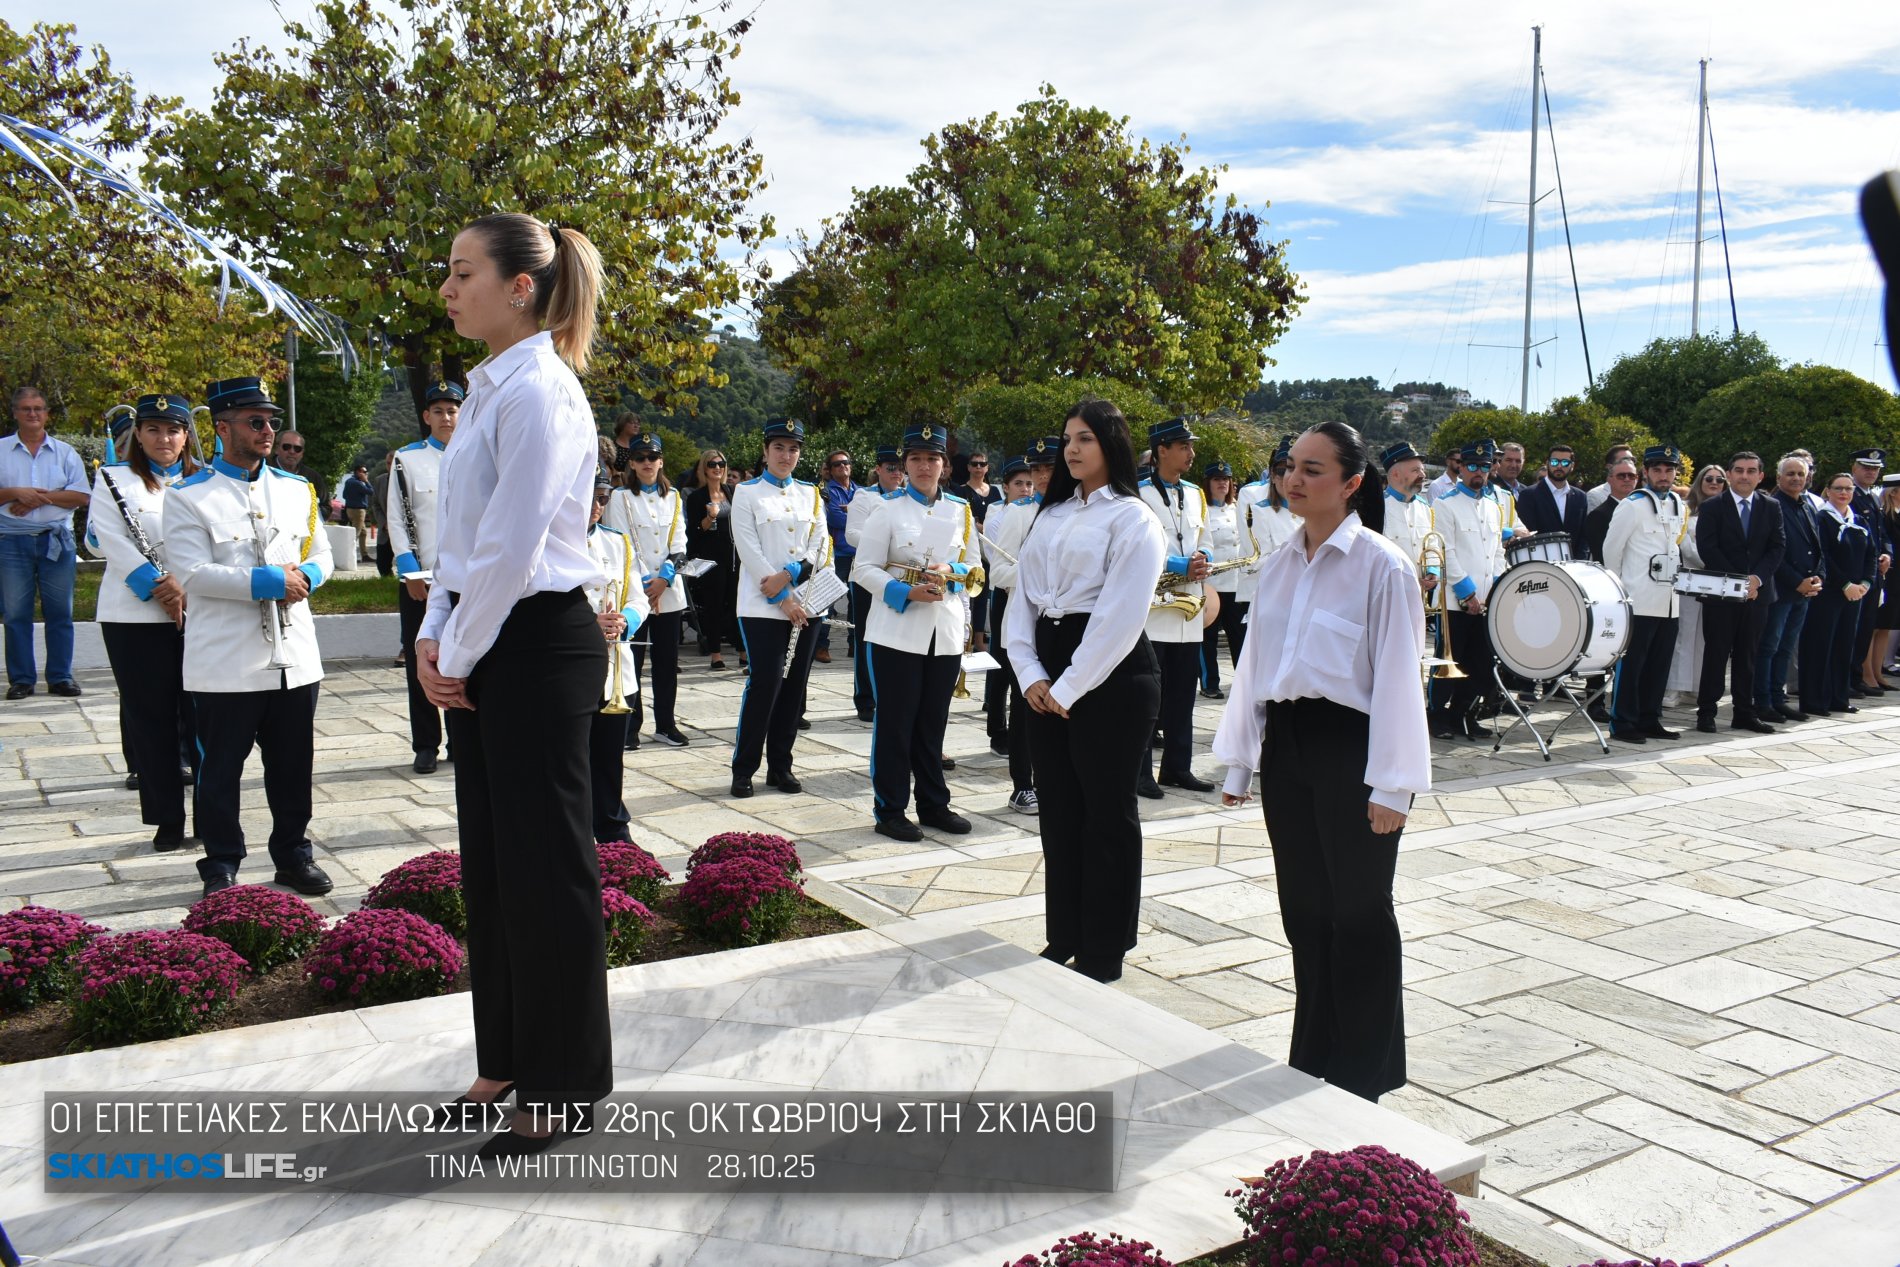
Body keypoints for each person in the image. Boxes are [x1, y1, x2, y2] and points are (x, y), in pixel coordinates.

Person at [416, 212, 612, 1158]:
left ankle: (563, 1081)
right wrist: (433, 630)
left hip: (534, 643)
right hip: (485, 634)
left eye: (464, 272)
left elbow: (512, 546)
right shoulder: (487, 389)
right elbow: (458, 542)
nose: (448, 289)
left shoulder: (541, 392)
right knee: (494, 869)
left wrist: (455, 653)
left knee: (546, 871)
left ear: (521, 286)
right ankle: (505, 1055)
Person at [1213, 420, 1428, 1104]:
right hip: (1289, 745)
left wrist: (1393, 785)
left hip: (1353, 746)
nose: (1293, 480)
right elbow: (1256, 665)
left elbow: (1399, 678)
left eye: (1312, 469)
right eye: (1289, 467)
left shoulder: (1382, 565)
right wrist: (1242, 761)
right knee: (1305, 909)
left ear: (1352, 483)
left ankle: (1364, 1073)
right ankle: (1313, 1055)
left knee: (1359, 909)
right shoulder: (1279, 563)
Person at [1004, 398, 1164, 982]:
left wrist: (1067, 687)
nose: (1071, 449)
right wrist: (1029, 673)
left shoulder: (1133, 518)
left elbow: (1120, 615)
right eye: (1067, 438)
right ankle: (1065, 934)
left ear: (1111, 444)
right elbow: (1022, 601)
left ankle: (1104, 947)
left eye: (1086, 439)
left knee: (1106, 815)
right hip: (1047, 671)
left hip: (1111, 675)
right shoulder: (1050, 515)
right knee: (1060, 812)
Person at [166, 376, 334, 900]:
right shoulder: (188, 496)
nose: (267, 431)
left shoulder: (296, 489)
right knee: (219, 770)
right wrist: (268, 582)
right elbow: (191, 572)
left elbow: (321, 554)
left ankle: (293, 854)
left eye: (271, 422)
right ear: (222, 428)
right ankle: (221, 861)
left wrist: (307, 577)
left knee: (293, 767)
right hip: (227, 662)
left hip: (293, 657)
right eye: (255, 421)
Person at [852, 423, 977, 841]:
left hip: (944, 631)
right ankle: (889, 810)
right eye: (916, 459)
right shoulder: (886, 509)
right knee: (896, 723)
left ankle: (933, 804)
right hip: (897, 631)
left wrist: (950, 571)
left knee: (933, 723)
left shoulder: (960, 510)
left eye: (933, 458)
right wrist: (904, 591)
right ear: (905, 465)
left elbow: (974, 567)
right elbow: (863, 569)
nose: (925, 466)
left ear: (944, 465)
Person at [90, 393, 200, 851]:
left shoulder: (204, 480)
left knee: (203, 719)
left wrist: (184, 587)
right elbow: (110, 542)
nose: (164, 438)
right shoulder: (112, 478)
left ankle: (211, 816)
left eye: (173, 430)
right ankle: (166, 819)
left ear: (186, 436)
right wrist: (160, 587)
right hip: (132, 615)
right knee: (150, 719)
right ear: (138, 434)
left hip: (198, 610)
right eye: (153, 429)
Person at [729, 418, 831, 798]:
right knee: (766, 683)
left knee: (794, 687)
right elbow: (748, 549)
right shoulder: (746, 493)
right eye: (779, 448)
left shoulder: (811, 494)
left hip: (806, 603)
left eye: (793, 449)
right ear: (766, 451)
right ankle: (744, 768)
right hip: (761, 605)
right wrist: (780, 597)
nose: (786, 456)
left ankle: (780, 766)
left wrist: (791, 574)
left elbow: (821, 546)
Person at [1138, 416, 1215, 797]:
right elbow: (1136, 544)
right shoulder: (1137, 494)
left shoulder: (1196, 493)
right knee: (1147, 701)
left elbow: (1207, 538)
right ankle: (1140, 773)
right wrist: (1175, 563)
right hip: (1154, 611)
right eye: (1184, 446)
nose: (1191, 453)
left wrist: (1204, 557)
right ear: (1161, 451)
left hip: (1188, 610)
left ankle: (1177, 767)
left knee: (1184, 696)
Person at [389, 379, 462, 773]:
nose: (446, 417)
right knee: (422, 660)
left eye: (452, 410)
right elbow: (397, 519)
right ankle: (426, 744)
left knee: (464, 657)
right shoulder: (408, 459)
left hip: (464, 579)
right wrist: (410, 573)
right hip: (424, 579)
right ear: (426, 416)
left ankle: (461, 738)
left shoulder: (477, 455)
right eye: (438, 411)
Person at [0, 386, 90, 699]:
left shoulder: (65, 453)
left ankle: (61, 677)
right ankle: (22, 680)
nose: (32, 414)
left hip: (57, 542)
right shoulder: (1, 450)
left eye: (38, 408)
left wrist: (38, 498)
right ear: (15, 413)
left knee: (60, 613)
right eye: (26, 408)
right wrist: (15, 493)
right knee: (15, 614)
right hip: (12, 542)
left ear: (47, 413)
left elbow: (81, 496)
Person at [603, 432, 688, 749]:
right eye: (640, 458)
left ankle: (666, 724)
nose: (647, 463)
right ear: (633, 464)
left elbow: (679, 544)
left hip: (668, 591)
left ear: (661, 461)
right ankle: (630, 728)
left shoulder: (674, 497)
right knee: (633, 660)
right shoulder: (620, 497)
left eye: (653, 457)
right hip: (636, 592)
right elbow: (622, 543)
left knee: (667, 663)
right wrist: (645, 586)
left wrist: (664, 578)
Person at [1695, 451, 1785, 734]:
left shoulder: (1771, 507)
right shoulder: (1712, 507)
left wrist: (1756, 580)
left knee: (1748, 656)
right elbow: (1708, 548)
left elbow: (1777, 547)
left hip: (1758, 594)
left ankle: (1744, 713)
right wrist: (1739, 582)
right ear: (1729, 475)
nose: (1744, 476)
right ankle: (1706, 712)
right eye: (1739, 470)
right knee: (1716, 654)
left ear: (1760, 476)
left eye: (1751, 471)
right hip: (1721, 595)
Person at [1601, 446, 1687, 743]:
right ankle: (1622, 722)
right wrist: (1619, 591)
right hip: (1638, 598)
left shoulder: (1677, 503)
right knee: (1632, 665)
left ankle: (1649, 718)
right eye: (1657, 470)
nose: (1664, 476)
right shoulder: (1632, 505)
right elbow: (1612, 550)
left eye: (1669, 470)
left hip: (1669, 600)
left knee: (1659, 665)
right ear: (1646, 472)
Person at [583, 465, 650, 842]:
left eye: (603, 498)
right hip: (574, 665)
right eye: (590, 497)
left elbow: (638, 598)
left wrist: (625, 620)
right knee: (573, 760)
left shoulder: (618, 542)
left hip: (614, 667)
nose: (597, 506)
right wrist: (588, 624)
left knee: (609, 756)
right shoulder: (550, 542)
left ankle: (612, 829)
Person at [1430, 439, 1512, 739]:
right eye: (1473, 466)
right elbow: (1446, 552)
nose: (1479, 472)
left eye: (1485, 466)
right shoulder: (1445, 504)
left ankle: (1462, 715)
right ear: (1461, 468)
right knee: (1449, 661)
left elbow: (1498, 553)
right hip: (1456, 600)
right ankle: (1436, 715)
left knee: (1479, 663)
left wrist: (1498, 589)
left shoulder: (1494, 506)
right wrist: (1466, 592)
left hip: (1487, 599)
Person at [983, 453, 1042, 813]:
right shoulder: (1018, 514)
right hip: (1024, 623)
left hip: (1061, 625)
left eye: (1049, 470)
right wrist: (1040, 574)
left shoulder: (1073, 510)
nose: (1041, 478)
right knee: (1023, 706)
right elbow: (999, 572)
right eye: (1037, 471)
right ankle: (1022, 785)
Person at [1800, 473, 1876, 717]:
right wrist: (1845, 584)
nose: (1844, 493)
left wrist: (1865, 583)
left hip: (1855, 594)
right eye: (1839, 488)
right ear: (1829, 491)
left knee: (1844, 645)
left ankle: (1839, 698)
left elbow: (1871, 555)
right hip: (1829, 593)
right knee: (1820, 645)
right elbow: (1824, 555)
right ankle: (1815, 700)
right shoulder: (1822, 519)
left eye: (1848, 489)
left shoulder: (1858, 521)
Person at [1762, 456, 1826, 722]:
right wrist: (1796, 581)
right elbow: (1772, 551)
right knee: (1770, 646)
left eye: (1801, 474)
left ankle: (1779, 698)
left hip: (1804, 591)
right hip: (1781, 589)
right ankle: (1763, 701)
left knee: (1786, 648)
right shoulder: (1771, 505)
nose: (1796, 478)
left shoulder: (1807, 506)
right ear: (1778, 478)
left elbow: (1818, 546)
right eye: (1790, 474)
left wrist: (1818, 577)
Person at [845, 444, 907, 721]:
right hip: (868, 575)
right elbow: (851, 534)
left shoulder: (908, 498)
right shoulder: (865, 496)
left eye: (901, 469)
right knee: (866, 638)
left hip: (898, 576)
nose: (897, 474)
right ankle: (866, 699)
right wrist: (884, 544)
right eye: (891, 468)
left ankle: (890, 695)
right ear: (878, 469)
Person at [1666, 464, 1726, 704]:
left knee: (1705, 636)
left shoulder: (1727, 511)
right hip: (1690, 578)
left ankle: (1696, 685)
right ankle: (1674, 687)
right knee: (1684, 633)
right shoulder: (1686, 509)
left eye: (1719, 479)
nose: (1714, 483)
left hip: (1719, 580)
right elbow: (1684, 544)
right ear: (1700, 481)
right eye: (1709, 478)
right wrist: (1711, 561)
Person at [1198, 461, 1249, 700]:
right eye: (1217, 479)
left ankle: (1243, 683)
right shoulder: (1203, 511)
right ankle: (1210, 683)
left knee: (1239, 636)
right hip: (1211, 584)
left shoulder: (1237, 509)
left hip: (1236, 583)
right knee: (1207, 638)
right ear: (1208, 483)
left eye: (1226, 479)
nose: (1222, 483)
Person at [684, 449, 738, 670]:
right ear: (704, 468)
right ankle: (715, 654)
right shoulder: (696, 497)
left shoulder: (731, 491)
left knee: (736, 604)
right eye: (712, 464)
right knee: (713, 606)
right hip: (710, 558)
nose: (717, 468)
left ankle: (743, 650)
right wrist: (710, 517)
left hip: (733, 556)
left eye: (721, 464)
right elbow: (694, 532)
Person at [1849, 449, 1893, 694]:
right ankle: (1850, 678)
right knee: (1853, 629)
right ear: (1854, 468)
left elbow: (1881, 533)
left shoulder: (1873, 498)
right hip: (1857, 573)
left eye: (1875, 469)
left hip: (1874, 572)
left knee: (1866, 627)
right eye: (1866, 467)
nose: (1871, 472)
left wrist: (1886, 554)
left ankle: (1857, 678)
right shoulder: (1851, 494)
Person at [952, 450, 1005, 652]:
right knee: (968, 594)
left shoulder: (995, 492)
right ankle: (966, 637)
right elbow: (965, 521)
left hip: (991, 548)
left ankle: (980, 640)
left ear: (987, 467)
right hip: (970, 548)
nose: (978, 468)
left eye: (982, 464)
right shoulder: (961, 491)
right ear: (968, 467)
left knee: (983, 594)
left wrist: (982, 525)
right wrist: (980, 526)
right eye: (974, 464)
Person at [817, 448, 858, 665]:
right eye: (837, 464)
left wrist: (849, 511)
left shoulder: (861, 492)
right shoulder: (826, 491)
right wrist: (857, 514)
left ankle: (854, 644)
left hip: (858, 554)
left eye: (845, 462)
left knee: (857, 602)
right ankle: (821, 645)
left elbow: (872, 518)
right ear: (830, 470)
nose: (842, 466)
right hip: (838, 553)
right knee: (828, 601)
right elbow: (834, 518)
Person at [1378, 441, 1436, 587]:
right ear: (1396, 474)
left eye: (1422, 470)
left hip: (1420, 593)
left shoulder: (1425, 507)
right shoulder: (1377, 507)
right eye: (1415, 470)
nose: (1422, 475)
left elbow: (1431, 544)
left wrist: (1433, 570)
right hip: (1389, 591)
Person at [1515, 444, 1589, 539]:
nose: (1559, 466)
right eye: (1554, 462)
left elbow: (1583, 535)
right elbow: (1526, 533)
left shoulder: (1580, 497)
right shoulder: (1528, 495)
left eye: (1565, 463)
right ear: (1547, 463)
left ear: (1572, 466)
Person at [1584, 457, 1638, 564]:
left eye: (1631, 476)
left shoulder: (1642, 509)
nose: (1627, 479)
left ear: (1637, 478)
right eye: (1621, 476)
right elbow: (1602, 557)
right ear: (1610, 480)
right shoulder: (1598, 516)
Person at [270, 429, 326, 515]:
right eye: (286, 447)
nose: (292, 451)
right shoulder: (264, 471)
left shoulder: (313, 477)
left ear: (302, 453)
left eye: (297, 449)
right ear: (277, 449)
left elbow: (326, 506)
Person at [1878, 475, 1900, 673]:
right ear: (1893, 492)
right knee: (1890, 613)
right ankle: (1885, 661)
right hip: (1892, 571)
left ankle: (1888, 660)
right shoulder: (1886, 515)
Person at [369, 453, 395, 579]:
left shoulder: (409, 479)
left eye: (393, 463)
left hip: (405, 531)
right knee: (382, 564)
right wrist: (384, 523)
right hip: (385, 531)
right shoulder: (380, 480)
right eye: (388, 463)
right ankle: (388, 581)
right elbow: (375, 504)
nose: (390, 466)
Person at [341, 464, 374, 562]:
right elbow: (371, 491)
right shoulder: (359, 483)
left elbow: (344, 495)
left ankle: (364, 555)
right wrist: (366, 481)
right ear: (358, 472)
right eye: (364, 472)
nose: (366, 474)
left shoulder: (348, 481)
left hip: (349, 510)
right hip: (358, 511)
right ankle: (349, 558)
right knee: (355, 534)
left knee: (363, 532)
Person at [1587, 445, 1636, 510]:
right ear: (1609, 467)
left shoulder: (1640, 494)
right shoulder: (1596, 496)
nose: (1630, 463)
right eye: (1625, 460)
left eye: (1632, 460)